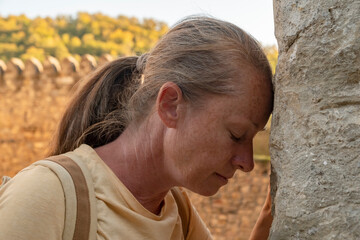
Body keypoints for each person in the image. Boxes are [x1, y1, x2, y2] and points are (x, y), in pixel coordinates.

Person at [0, 16, 273, 239]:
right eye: (236, 135)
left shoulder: (179, 217)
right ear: (170, 106)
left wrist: (269, 223)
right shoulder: (43, 197)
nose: (247, 163)